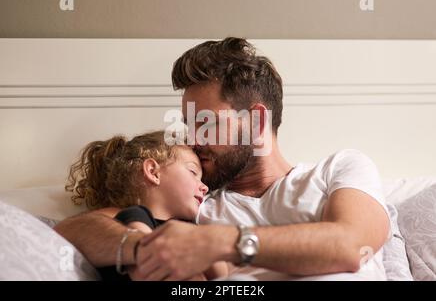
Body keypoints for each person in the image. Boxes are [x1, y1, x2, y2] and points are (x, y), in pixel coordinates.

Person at [55, 37, 391, 281]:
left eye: (206, 123)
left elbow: (350, 246)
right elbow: (73, 229)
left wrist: (218, 241)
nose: (193, 139)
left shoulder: (338, 170)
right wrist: (143, 248)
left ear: (257, 121)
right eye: (189, 125)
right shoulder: (194, 204)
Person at [63, 130, 227, 280]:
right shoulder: (129, 216)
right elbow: (149, 266)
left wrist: (206, 244)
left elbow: (222, 274)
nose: (205, 187)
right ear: (153, 172)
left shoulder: (189, 228)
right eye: (193, 172)